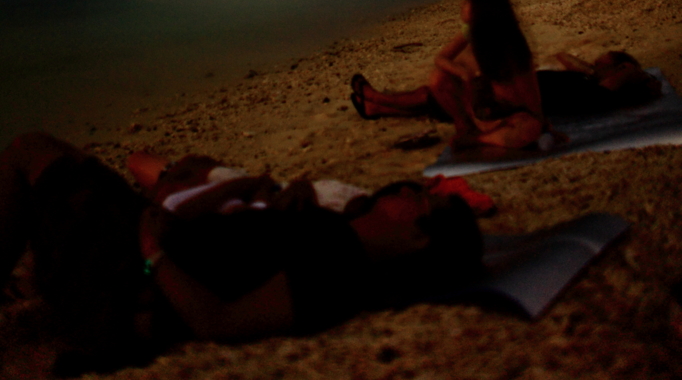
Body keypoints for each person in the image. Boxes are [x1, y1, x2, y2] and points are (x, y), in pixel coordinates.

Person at [0, 133, 482, 377]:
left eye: (421, 200)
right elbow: (235, 238)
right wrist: (165, 218)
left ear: (419, 238)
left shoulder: (337, 265)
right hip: (149, 240)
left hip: (124, 286)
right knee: (64, 158)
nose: (409, 189)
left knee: (28, 150)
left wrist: (153, 251)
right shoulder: (333, 230)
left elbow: (219, 321)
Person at [350, 0, 544, 150]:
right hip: (467, 104)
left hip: (491, 110)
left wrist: (541, 122)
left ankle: (376, 102)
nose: (461, 6)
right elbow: (441, 59)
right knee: (433, 89)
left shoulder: (509, 44)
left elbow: (529, 94)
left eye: (467, 3)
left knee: (426, 97)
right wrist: (461, 73)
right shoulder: (471, 31)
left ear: (482, 9)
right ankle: (376, 104)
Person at [537, 50, 662, 117]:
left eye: (599, 65)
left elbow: (602, 93)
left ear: (621, 69)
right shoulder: (591, 79)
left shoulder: (602, 96)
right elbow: (563, 55)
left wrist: (631, 71)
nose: (593, 67)